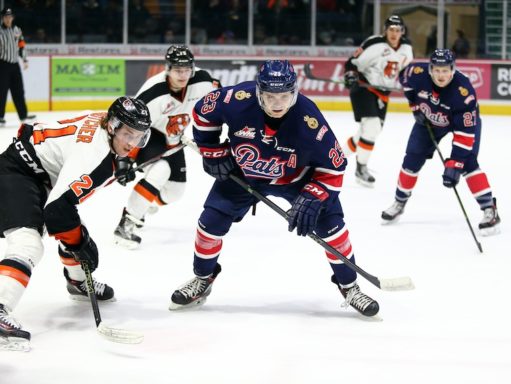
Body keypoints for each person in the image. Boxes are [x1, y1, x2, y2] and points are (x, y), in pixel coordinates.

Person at [170, 59, 379, 317]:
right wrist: (211, 150)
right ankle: (203, 279)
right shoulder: (237, 98)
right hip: (244, 173)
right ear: (258, 92)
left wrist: (313, 197)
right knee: (209, 223)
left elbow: (334, 167)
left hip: (297, 180)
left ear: (294, 93)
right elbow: (203, 111)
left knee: (332, 230)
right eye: (269, 97)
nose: (277, 104)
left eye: (284, 96)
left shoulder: (308, 119)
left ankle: (350, 287)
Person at [0, 96, 152, 350]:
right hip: (18, 173)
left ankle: (78, 282)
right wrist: (79, 242)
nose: (132, 143)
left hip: (36, 171)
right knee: (30, 243)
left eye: (138, 136)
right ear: (113, 126)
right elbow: (56, 213)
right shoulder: (94, 156)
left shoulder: (105, 127)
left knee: (71, 229)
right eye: (128, 134)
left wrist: (121, 162)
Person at [380, 49, 501, 236]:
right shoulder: (416, 74)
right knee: (411, 159)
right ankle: (399, 202)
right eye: (437, 70)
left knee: (468, 162)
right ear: (430, 69)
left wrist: (455, 163)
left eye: (445, 70)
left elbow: (465, 135)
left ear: (452, 69)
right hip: (430, 119)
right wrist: (415, 108)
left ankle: (489, 210)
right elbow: (406, 83)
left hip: (460, 125)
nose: (441, 75)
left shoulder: (463, 92)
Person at [113, 45, 219, 249]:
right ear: (168, 68)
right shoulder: (153, 92)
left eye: (187, 69)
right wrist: (123, 158)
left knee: (175, 192)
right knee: (160, 170)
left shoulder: (203, 81)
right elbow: (129, 127)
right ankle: (127, 223)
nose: (183, 74)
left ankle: (143, 204)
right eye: (178, 70)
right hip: (148, 135)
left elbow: (222, 100)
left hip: (174, 138)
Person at [343, 14, 413, 187]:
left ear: (402, 32)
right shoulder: (374, 44)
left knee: (367, 133)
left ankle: (337, 157)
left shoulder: (406, 48)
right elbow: (352, 63)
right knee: (372, 127)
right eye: (391, 29)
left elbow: (403, 70)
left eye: (397, 30)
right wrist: (351, 75)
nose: (394, 33)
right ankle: (361, 169)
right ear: (385, 30)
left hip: (383, 93)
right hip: (364, 87)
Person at [0, 7, 35, 127]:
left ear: (12, 18)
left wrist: (24, 59)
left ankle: (23, 116)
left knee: (19, 91)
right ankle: (0, 117)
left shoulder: (17, 30)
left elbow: (21, 45)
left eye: (10, 17)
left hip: (15, 65)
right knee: (1, 91)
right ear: (2, 18)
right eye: (6, 17)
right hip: (2, 64)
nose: (8, 19)